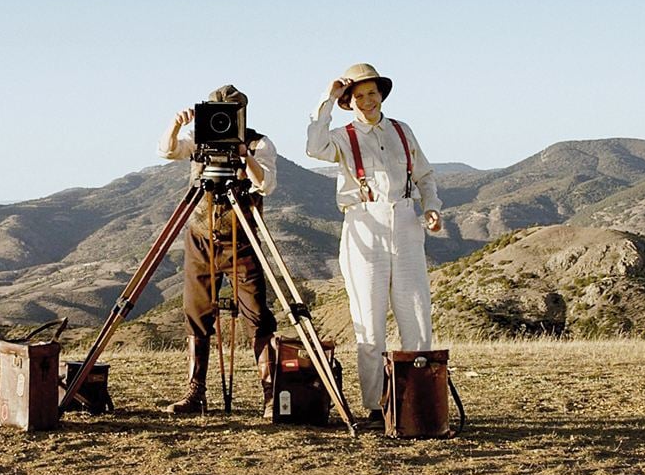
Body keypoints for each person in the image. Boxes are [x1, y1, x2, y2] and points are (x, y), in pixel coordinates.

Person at [305, 63, 443, 423]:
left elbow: (425, 175)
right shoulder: (342, 136)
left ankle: (418, 400)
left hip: (406, 221)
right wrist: (328, 97)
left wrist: (431, 208)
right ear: (349, 101)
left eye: (372, 93)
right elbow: (313, 146)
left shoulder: (402, 130)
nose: (367, 101)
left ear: (381, 95)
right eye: (358, 95)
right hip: (364, 222)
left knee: (416, 313)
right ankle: (375, 405)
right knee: (368, 318)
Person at [158, 85, 280, 415]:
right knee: (196, 315)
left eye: (230, 112)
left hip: (242, 239)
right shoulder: (200, 139)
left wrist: (243, 154)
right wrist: (175, 126)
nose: (223, 118)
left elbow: (265, 183)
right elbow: (167, 151)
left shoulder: (258, 143)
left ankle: (271, 393)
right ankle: (195, 393)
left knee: (257, 316)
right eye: (218, 111)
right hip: (201, 237)